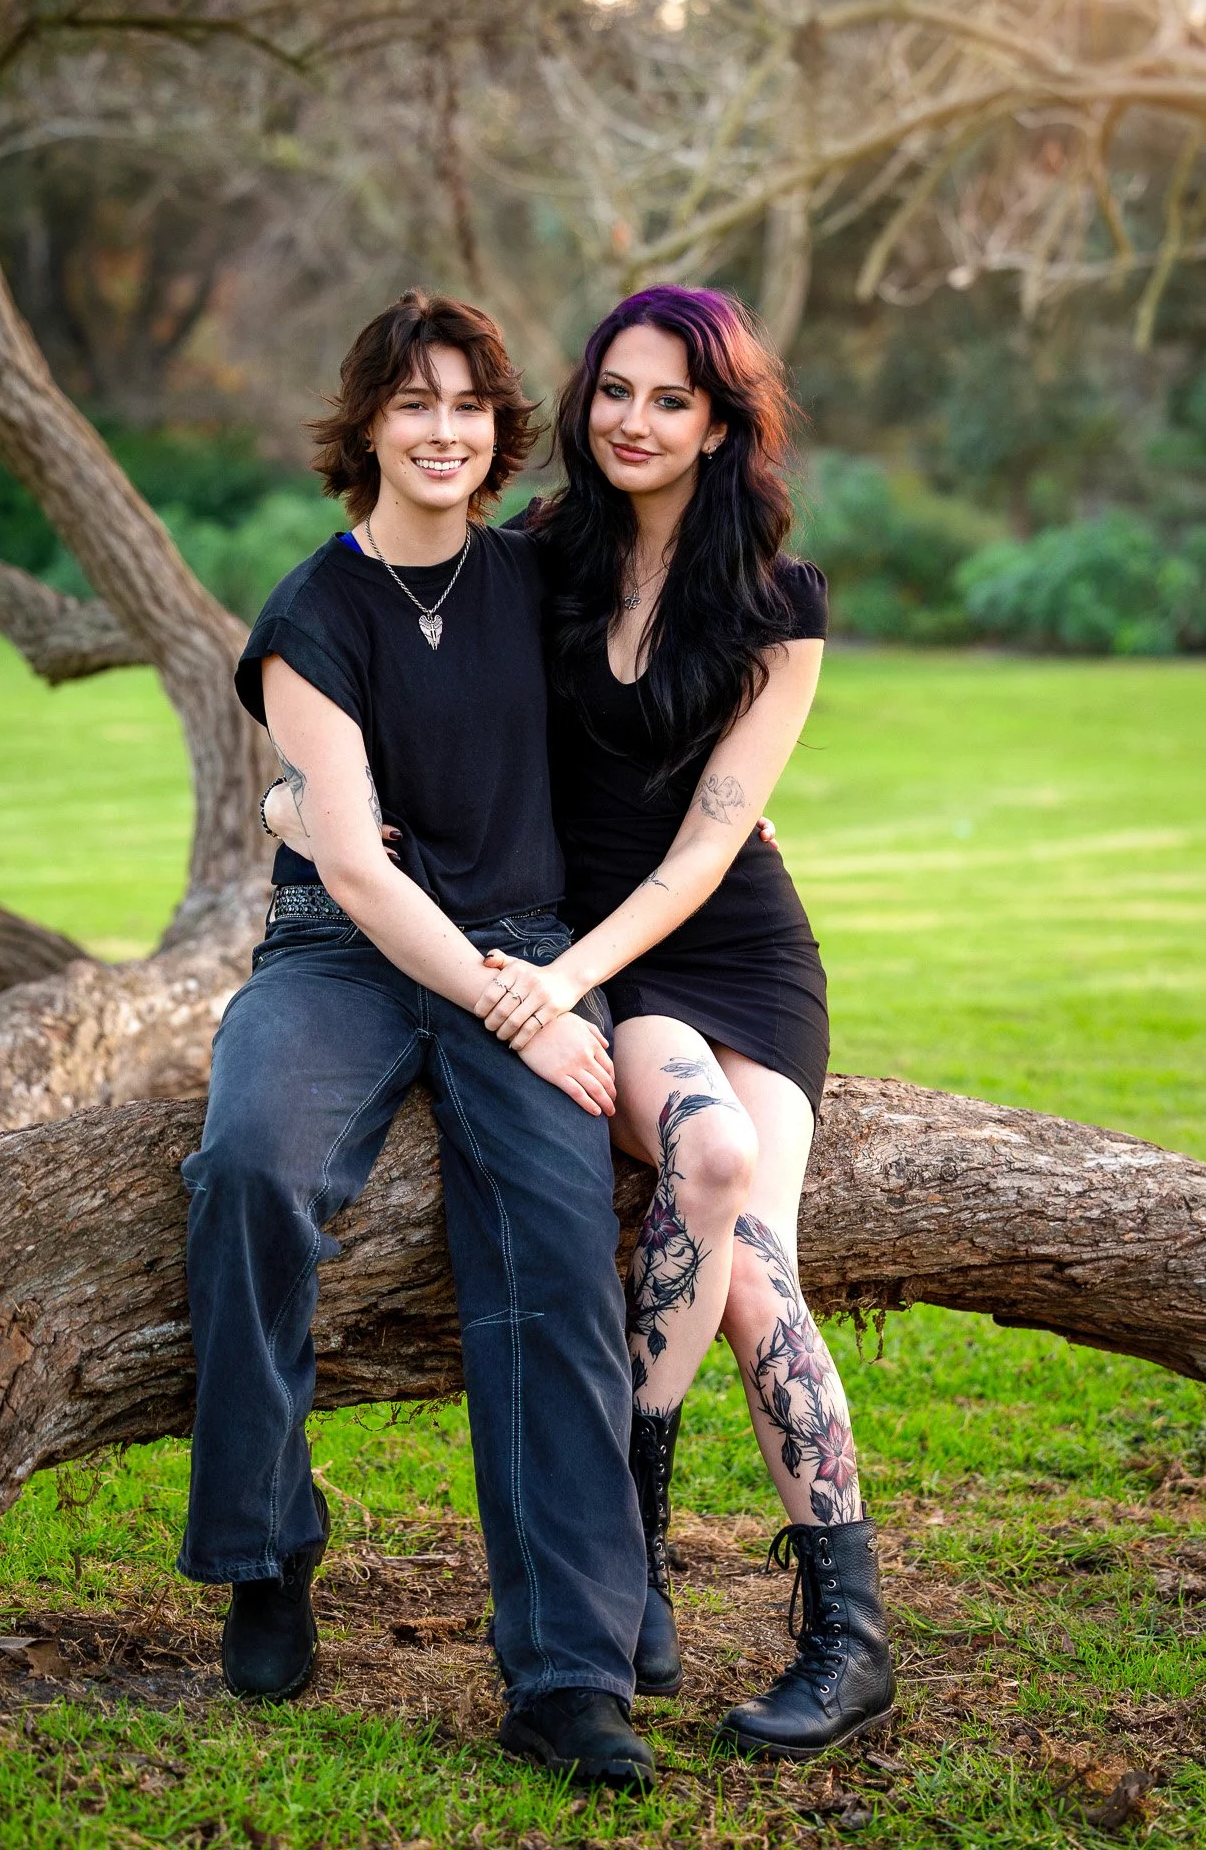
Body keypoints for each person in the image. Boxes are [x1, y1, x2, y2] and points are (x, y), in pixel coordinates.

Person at [178, 289, 656, 1793]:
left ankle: (569, 1673)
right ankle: (266, 1546)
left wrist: (720, 809)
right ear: (368, 426)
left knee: (558, 1248)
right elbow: (356, 866)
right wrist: (518, 1010)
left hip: (523, 935)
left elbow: (659, 673)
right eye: (414, 405)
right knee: (252, 1166)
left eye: (467, 406)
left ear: (498, 429)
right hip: (345, 949)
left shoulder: (543, 574)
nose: (444, 432)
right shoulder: (312, 615)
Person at [475, 286, 895, 1761]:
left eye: (668, 399)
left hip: (736, 948)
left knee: (760, 1271)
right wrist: (307, 800)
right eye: (614, 391)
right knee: (710, 1168)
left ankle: (838, 1637)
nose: (632, 420)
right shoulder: (537, 558)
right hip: (626, 972)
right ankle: (646, 1555)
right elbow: (421, 685)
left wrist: (563, 977)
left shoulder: (781, 602)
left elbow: (714, 842)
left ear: (720, 424)